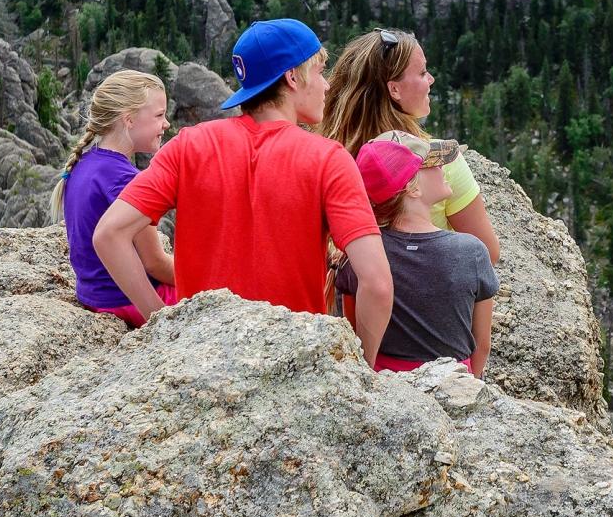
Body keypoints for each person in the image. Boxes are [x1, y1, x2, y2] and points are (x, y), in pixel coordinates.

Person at [91, 19, 394, 364]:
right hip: (291, 361)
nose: (326, 85)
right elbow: (378, 283)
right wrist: (362, 371)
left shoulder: (188, 145)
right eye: (320, 70)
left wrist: (162, 323)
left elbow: (109, 233)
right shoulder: (328, 159)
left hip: (200, 356)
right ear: (293, 77)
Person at [320, 28, 501, 264]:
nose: (431, 79)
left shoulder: (329, 160)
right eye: (423, 72)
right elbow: (489, 253)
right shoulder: (438, 162)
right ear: (394, 89)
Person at [339, 136, 497, 376]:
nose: (442, 167)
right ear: (412, 188)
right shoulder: (471, 251)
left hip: (385, 383)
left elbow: (355, 335)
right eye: (432, 163)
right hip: (454, 382)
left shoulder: (360, 255)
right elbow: (482, 345)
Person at [52, 69, 176, 327]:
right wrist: (206, 275)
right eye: (159, 115)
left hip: (94, 297)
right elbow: (154, 263)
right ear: (129, 120)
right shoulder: (125, 179)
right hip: (126, 302)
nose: (167, 124)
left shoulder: (84, 164)